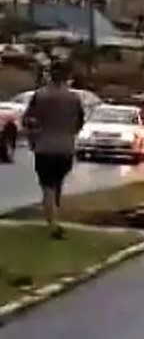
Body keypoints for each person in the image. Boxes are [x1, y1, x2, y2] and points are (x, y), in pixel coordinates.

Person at [24, 61, 85, 239]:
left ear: (50, 75)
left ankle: (53, 224)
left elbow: (28, 120)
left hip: (44, 146)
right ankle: (54, 217)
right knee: (57, 182)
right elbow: (80, 123)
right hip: (65, 148)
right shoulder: (74, 98)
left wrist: (33, 138)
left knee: (47, 185)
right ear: (67, 76)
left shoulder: (40, 96)